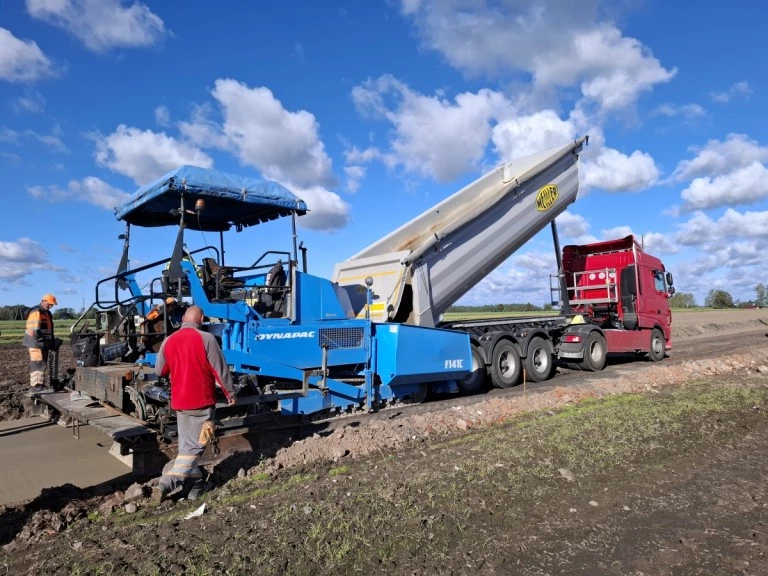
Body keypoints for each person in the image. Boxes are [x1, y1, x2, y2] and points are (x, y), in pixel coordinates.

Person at [152, 305, 236, 503]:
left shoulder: (169, 340)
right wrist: (230, 392)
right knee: (195, 446)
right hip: (201, 402)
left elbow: (159, 370)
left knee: (186, 446)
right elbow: (220, 369)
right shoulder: (207, 339)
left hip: (180, 403)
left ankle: (195, 486)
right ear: (202, 319)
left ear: (183, 318)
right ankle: (167, 483)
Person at [22, 294, 58, 389]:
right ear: (43, 301)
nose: (50, 306)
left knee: (41, 364)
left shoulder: (46, 313)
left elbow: (49, 330)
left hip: (42, 343)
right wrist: (41, 343)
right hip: (36, 343)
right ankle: (36, 387)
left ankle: (39, 385)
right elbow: (33, 330)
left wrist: (51, 343)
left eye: (52, 304)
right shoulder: (36, 312)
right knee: (38, 364)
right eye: (49, 304)